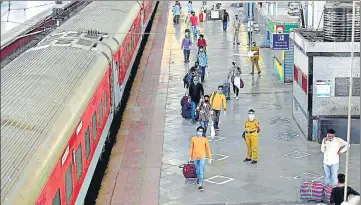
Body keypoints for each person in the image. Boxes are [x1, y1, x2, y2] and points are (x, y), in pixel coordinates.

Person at [190, 126, 212, 191]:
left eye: (201, 131)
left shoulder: (205, 139)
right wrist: (190, 156)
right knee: (197, 170)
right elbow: (191, 148)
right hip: (195, 156)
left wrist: (210, 157)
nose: (200, 132)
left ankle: (200, 184)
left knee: (201, 170)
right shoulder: (193, 139)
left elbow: (208, 149)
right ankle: (198, 178)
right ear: (197, 131)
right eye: (199, 131)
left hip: (202, 156)